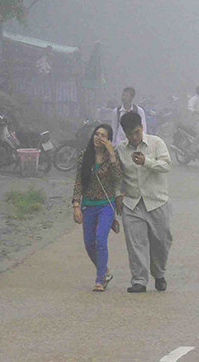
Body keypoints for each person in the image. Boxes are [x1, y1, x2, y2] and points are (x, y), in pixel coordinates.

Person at [116, 110, 173, 293]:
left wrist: (146, 162)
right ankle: (139, 280)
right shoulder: (121, 150)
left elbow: (166, 165)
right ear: (124, 133)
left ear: (142, 127)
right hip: (132, 203)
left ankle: (159, 273)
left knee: (162, 241)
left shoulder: (156, 143)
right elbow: (117, 176)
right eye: (130, 134)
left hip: (157, 201)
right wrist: (118, 195)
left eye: (137, 132)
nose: (134, 137)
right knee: (135, 243)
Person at [71, 123, 123, 292]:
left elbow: (118, 178)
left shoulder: (112, 157)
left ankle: (99, 279)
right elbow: (79, 182)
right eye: (96, 134)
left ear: (108, 139)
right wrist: (76, 205)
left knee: (100, 239)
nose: (98, 138)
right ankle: (105, 271)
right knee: (89, 243)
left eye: (103, 135)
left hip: (106, 204)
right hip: (88, 205)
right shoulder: (84, 155)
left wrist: (112, 155)